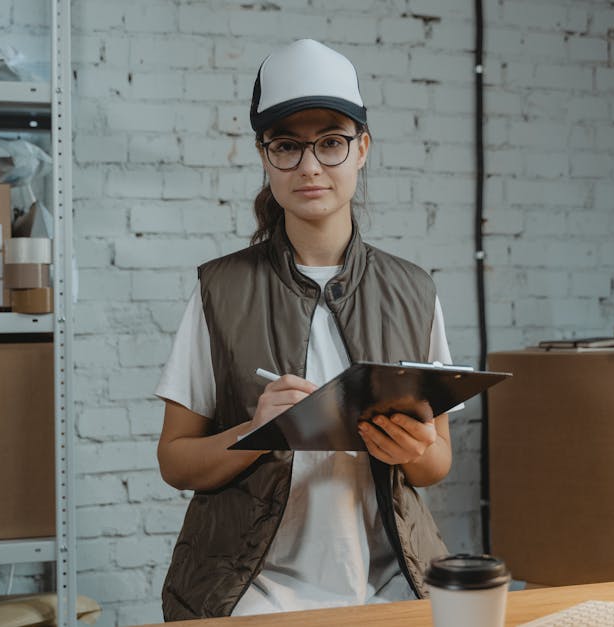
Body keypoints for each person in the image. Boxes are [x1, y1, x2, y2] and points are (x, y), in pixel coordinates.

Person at [154, 38, 460, 621]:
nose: (311, 166)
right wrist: (257, 433)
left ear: (362, 147)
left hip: (392, 583)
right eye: (287, 146)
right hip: (249, 594)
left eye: (331, 142)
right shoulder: (219, 290)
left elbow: (436, 463)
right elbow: (175, 461)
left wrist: (413, 449)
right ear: (265, 156)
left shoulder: (413, 290)